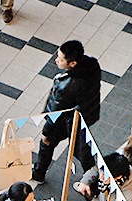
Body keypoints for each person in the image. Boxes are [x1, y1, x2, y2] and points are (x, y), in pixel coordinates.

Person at [31, 40, 101, 185]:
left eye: (60, 59)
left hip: (67, 120)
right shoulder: (92, 66)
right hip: (85, 115)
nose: (56, 60)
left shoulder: (67, 86)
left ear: (72, 63)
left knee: (47, 144)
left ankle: (38, 174)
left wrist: (46, 131)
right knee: (82, 149)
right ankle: (93, 178)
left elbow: (55, 112)